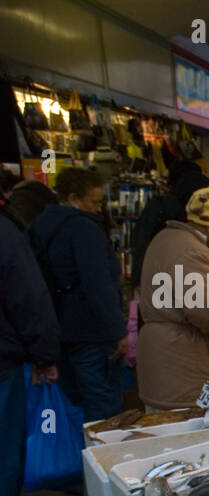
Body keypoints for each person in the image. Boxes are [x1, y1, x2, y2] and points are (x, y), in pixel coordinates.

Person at [136, 188, 209, 410]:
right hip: (183, 365)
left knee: (165, 433)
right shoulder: (193, 253)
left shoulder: (166, 238)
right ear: (208, 226)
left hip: (166, 359)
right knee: (190, 429)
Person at [29, 167, 126, 422]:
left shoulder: (40, 226)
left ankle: (79, 455)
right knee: (102, 406)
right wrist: (117, 332)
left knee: (75, 403)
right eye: (93, 202)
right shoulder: (83, 229)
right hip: (92, 332)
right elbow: (98, 285)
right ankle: (103, 457)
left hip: (59, 331)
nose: (97, 208)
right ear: (73, 198)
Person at [0, 194, 61, 496]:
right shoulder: (6, 234)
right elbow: (28, 298)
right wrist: (44, 355)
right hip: (4, 363)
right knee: (5, 448)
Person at [131, 160, 209, 288]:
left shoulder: (157, 207)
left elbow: (140, 245)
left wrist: (137, 285)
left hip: (153, 284)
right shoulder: (192, 214)